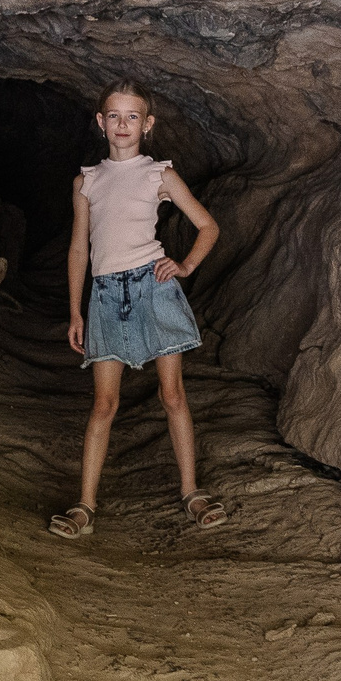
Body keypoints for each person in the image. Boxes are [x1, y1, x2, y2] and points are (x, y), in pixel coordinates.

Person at [50, 83, 226, 538]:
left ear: (147, 125)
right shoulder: (86, 181)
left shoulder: (159, 175)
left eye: (133, 117)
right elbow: (78, 248)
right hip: (106, 295)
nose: (122, 124)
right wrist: (76, 312)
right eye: (114, 115)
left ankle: (191, 493)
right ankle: (85, 506)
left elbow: (207, 226)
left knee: (173, 395)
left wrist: (185, 265)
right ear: (100, 121)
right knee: (104, 404)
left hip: (154, 287)